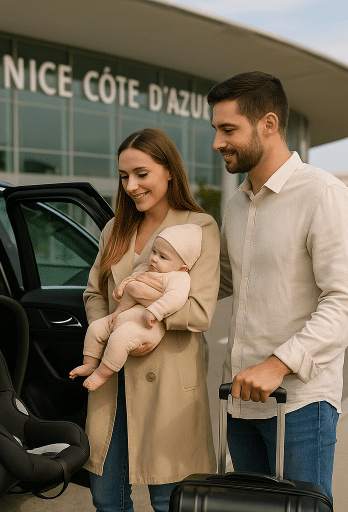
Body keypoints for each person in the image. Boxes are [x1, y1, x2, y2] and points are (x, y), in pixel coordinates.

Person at [208, 71, 348, 503]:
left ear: (269, 124)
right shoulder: (236, 203)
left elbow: (346, 303)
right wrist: (159, 286)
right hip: (239, 400)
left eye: (228, 130)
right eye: (216, 130)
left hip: (299, 404)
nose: (218, 142)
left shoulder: (323, 194)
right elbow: (223, 279)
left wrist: (277, 364)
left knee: (301, 510)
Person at [83, 128, 219, 512]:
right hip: (112, 378)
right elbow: (94, 293)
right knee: (106, 498)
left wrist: (150, 321)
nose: (131, 186)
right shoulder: (114, 229)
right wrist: (109, 327)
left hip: (169, 382)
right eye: (124, 176)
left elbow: (200, 309)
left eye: (141, 174)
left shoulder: (199, 227)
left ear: (169, 171)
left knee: (168, 500)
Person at [70, 223, 202, 391]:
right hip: (124, 315)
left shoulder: (177, 277)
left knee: (120, 338)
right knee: (96, 328)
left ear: (183, 267)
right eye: (154, 251)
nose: (154, 258)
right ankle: (89, 363)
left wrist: (155, 310)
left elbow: (175, 298)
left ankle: (102, 374)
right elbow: (132, 279)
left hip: (146, 326)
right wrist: (121, 289)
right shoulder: (146, 268)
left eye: (163, 257)